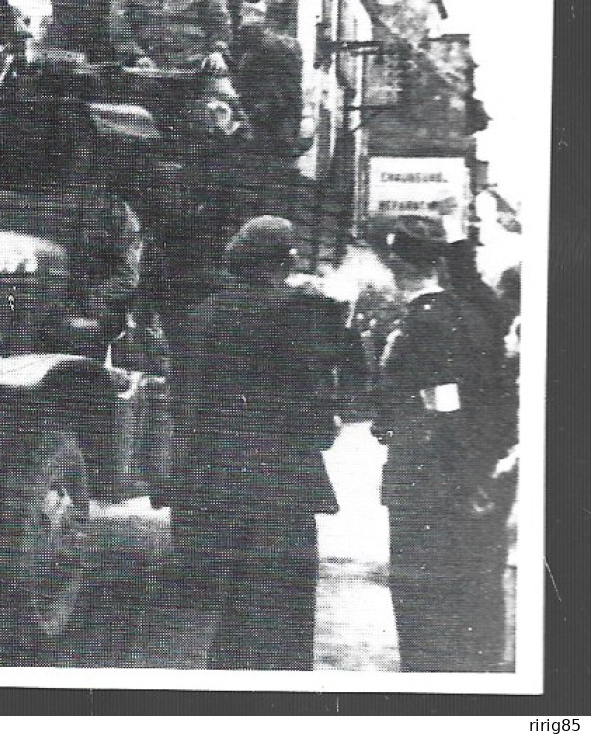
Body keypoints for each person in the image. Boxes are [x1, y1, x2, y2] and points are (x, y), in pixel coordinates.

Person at [169, 216, 347, 670]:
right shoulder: (302, 311)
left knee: (228, 608)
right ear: (286, 260)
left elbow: (184, 400)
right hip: (282, 484)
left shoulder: (202, 313)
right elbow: (318, 404)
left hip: (215, 481)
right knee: (281, 604)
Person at [369, 214, 517, 672]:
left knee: (422, 599)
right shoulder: (474, 311)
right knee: (471, 591)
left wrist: (396, 422)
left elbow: (443, 404)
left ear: (395, 260)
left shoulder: (428, 321)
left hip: (428, 481)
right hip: (466, 475)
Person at [232, 0, 305, 154]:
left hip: (271, 124)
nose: (245, 20)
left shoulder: (280, 44)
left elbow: (249, 32)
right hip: (268, 122)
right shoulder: (278, 45)